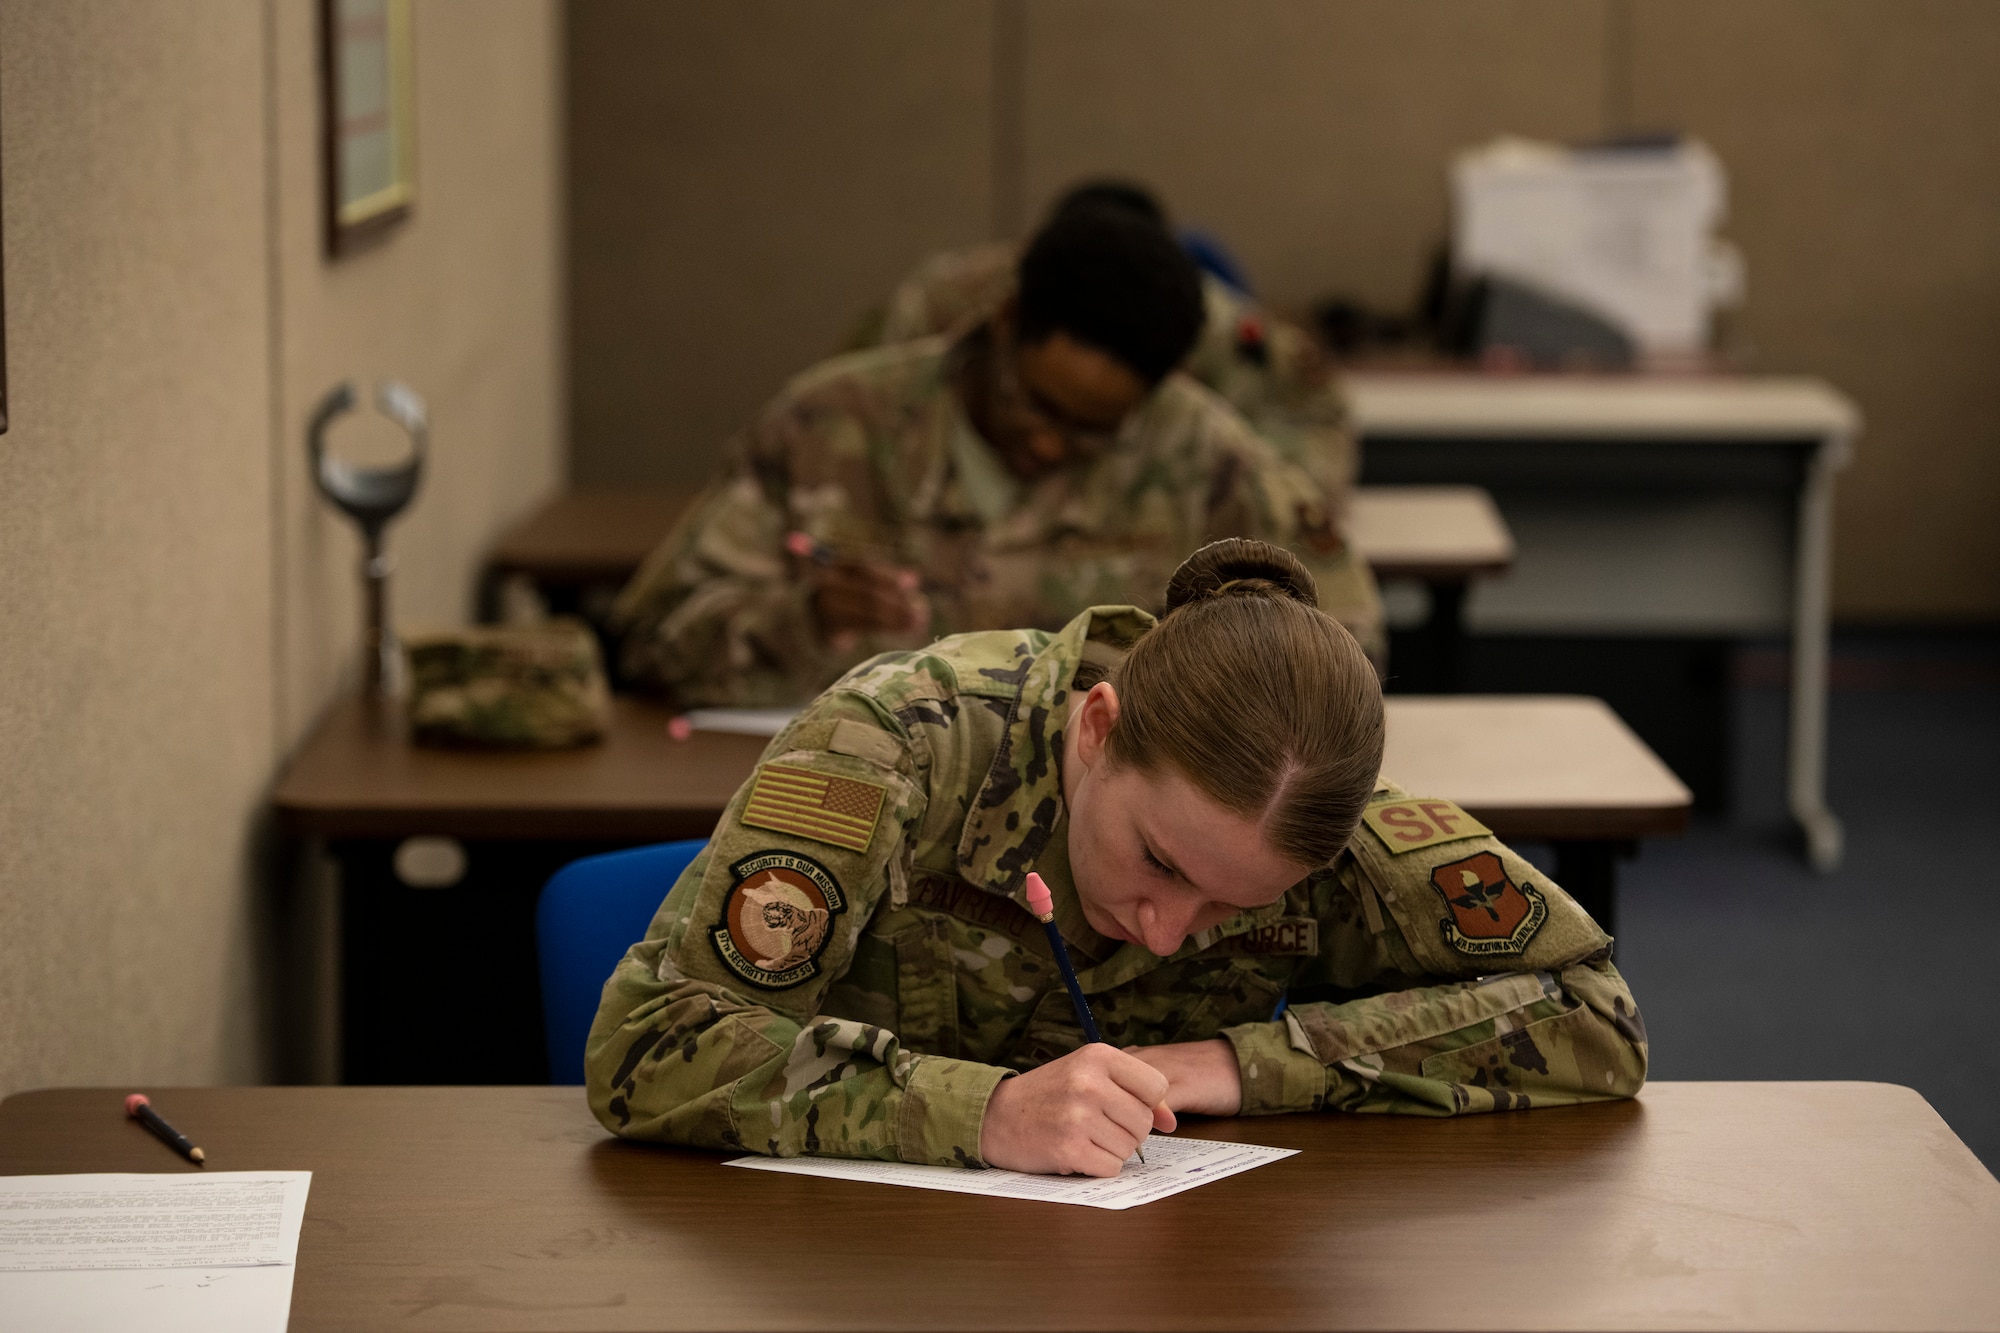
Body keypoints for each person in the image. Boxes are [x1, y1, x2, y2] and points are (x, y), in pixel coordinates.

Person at [586, 539, 1646, 1177]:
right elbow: (646, 1044)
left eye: (1236, 905)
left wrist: (1240, 1064)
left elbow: (1592, 1015)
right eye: (1158, 859)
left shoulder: (1326, 822)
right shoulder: (898, 745)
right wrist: (984, 1111)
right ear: (1097, 727)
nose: (1165, 927)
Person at [612, 204, 1373, 708]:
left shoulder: (1201, 454)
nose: (1049, 442)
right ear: (1005, 322)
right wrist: (801, 618)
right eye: (1036, 404)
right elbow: (649, 638)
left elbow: (1345, 648)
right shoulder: (830, 426)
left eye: (1090, 432)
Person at [865, 179, 1364, 536]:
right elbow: (893, 408)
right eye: (1035, 402)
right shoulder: (944, 296)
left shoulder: (1216, 326)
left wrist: (1258, 486)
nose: (1048, 444)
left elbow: (1314, 411)